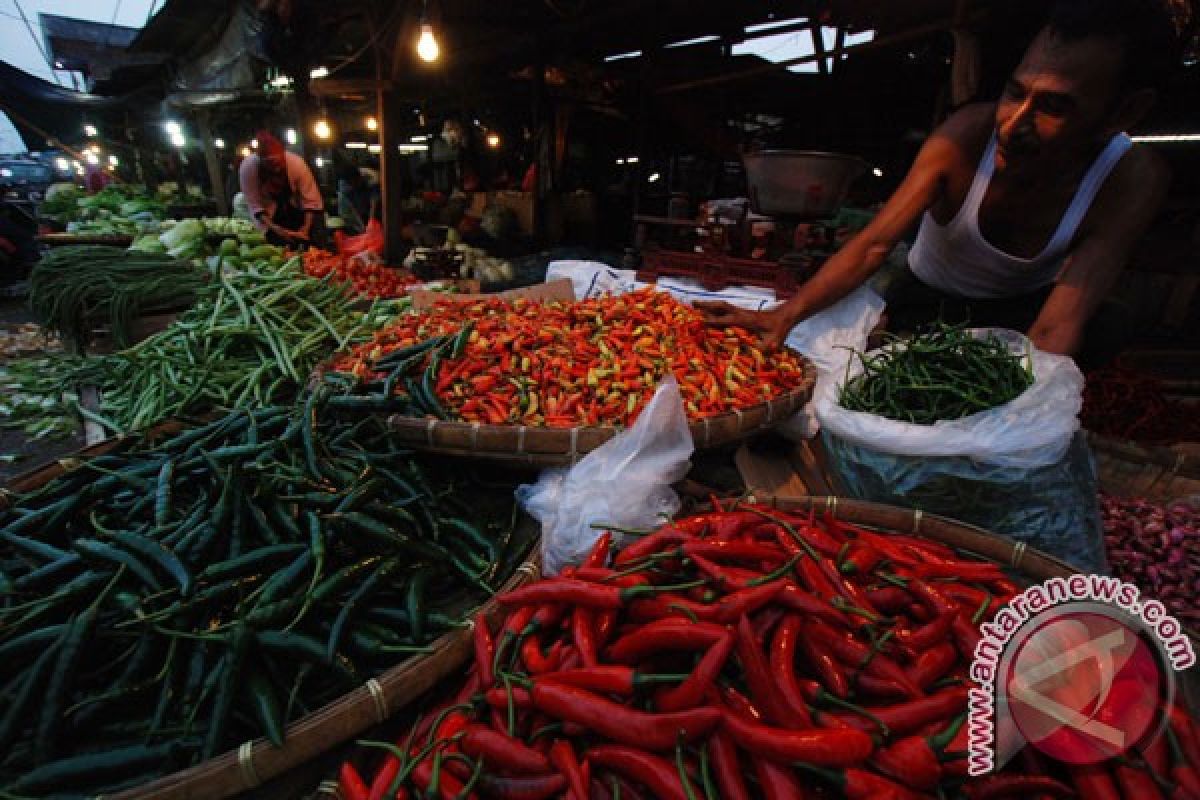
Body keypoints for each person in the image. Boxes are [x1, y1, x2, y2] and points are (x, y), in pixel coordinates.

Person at [699, 0, 1182, 364]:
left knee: (1110, 323)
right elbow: (873, 246)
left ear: (1124, 113)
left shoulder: (1131, 179)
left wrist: (1019, 418)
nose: (1014, 123)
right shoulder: (964, 138)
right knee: (890, 366)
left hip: (1020, 312)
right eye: (1015, 93)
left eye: (1054, 106)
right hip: (926, 299)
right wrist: (785, 314)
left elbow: (1059, 325)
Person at [239, 129, 327, 246]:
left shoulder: (297, 164)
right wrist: (275, 228)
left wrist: (305, 229)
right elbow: (255, 205)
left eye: (278, 164)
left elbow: (311, 200)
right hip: (269, 214)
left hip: (296, 207)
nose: (276, 169)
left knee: (312, 239)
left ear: (283, 155)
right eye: (271, 164)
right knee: (277, 244)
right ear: (261, 160)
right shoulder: (248, 168)